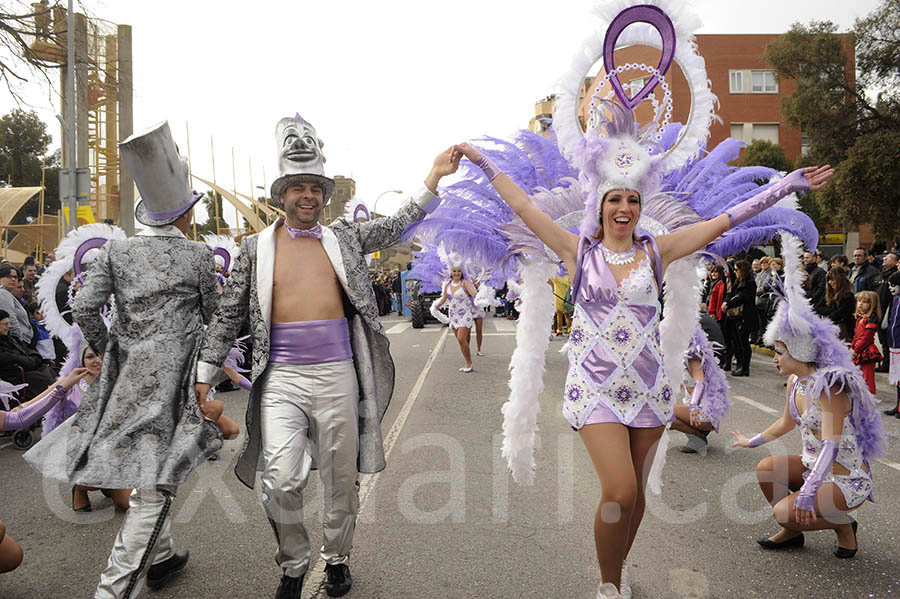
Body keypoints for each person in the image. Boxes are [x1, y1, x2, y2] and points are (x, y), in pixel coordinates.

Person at [453, 125, 831, 597]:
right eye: (615, 199)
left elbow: (725, 221)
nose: (624, 208)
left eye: (632, 200)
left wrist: (783, 187)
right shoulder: (577, 251)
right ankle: (609, 585)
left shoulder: (658, 250)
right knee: (621, 491)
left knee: (635, 501)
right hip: (594, 390)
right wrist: (483, 163)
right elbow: (524, 207)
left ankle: (619, 564)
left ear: (640, 206)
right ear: (601, 205)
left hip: (650, 390)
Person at [194, 113, 457, 599]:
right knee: (280, 478)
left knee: (340, 476)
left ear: (324, 193)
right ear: (282, 195)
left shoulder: (347, 239)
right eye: (298, 187)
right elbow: (230, 312)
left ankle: (337, 559)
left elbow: (399, 224)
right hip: (282, 378)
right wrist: (206, 371)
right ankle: (294, 564)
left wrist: (433, 178)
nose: (308, 195)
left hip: (339, 374)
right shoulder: (254, 248)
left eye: (315, 186)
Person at [24, 121, 223, 598]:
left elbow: (86, 308)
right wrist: (204, 365)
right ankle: (112, 591)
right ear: (184, 215)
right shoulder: (198, 258)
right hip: (174, 380)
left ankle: (165, 555)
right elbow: (217, 318)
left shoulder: (115, 252)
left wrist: (110, 349)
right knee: (155, 483)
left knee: (148, 467)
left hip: (127, 378)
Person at [733, 233, 885, 559]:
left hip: (845, 478)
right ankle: (793, 532)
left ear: (800, 351)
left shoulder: (830, 387)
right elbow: (786, 422)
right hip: (813, 465)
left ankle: (843, 525)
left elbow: (831, 444)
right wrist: (752, 441)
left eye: (779, 352)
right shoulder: (795, 381)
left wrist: (808, 492)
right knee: (766, 469)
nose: (775, 358)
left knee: (784, 510)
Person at [671, 326, 730, 455]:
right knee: (663, 409)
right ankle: (697, 438)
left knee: (663, 413)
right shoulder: (683, 358)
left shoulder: (693, 358)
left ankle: (698, 436)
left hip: (703, 413)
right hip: (700, 412)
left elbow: (700, 383)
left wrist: (693, 407)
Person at [0, 309, 56, 399]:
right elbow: (11, 359)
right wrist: (31, 360)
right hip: (18, 377)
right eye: (6, 324)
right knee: (46, 380)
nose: (9, 326)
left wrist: (33, 359)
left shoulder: (12, 339)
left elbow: (31, 352)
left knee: (55, 372)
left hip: (32, 368)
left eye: (9, 323)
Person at [434, 262, 478, 372]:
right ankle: (467, 359)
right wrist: (437, 306)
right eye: (454, 271)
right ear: (451, 272)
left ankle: (469, 363)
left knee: (461, 338)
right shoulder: (447, 284)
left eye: (458, 271)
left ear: (462, 272)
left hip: (465, 315)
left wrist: (481, 298)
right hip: (453, 316)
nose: (456, 273)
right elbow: (444, 298)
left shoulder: (465, 283)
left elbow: (475, 294)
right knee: (462, 341)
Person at [721, 260, 759, 377]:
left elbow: (742, 297)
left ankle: (745, 367)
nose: (735, 272)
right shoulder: (737, 282)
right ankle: (740, 365)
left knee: (744, 343)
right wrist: (727, 302)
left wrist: (728, 304)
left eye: (737, 270)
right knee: (736, 342)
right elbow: (731, 294)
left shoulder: (750, 283)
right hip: (735, 316)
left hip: (745, 316)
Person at [851, 291, 882, 395]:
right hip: (858, 350)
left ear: (872, 304)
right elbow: (856, 336)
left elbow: (867, 338)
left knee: (867, 378)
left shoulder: (871, 319)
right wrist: (852, 347)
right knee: (858, 377)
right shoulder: (860, 318)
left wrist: (855, 350)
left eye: (864, 302)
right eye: (859, 301)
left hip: (867, 350)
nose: (860, 304)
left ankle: (870, 399)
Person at [816, 267, 856, 342]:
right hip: (831, 328)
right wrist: (831, 311)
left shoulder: (848, 295)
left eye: (832, 280)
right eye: (828, 280)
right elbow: (818, 307)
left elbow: (838, 314)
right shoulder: (828, 294)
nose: (829, 282)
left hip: (844, 329)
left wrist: (828, 312)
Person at [873, 252, 898, 372]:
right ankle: (886, 363)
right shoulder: (879, 276)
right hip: (880, 310)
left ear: (895, 261)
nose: (884, 259)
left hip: (890, 310)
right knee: (883, 339)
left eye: (887, 258)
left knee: (889, 339)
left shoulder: (895, 276)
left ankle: (890, 364)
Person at [0, 265, 33, 346]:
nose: (13, 279)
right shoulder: (3, 293)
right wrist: (18, 341)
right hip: (18, 341)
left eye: (15, 277)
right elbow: (11, 318)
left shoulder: (8, 293)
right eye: (9, 276)